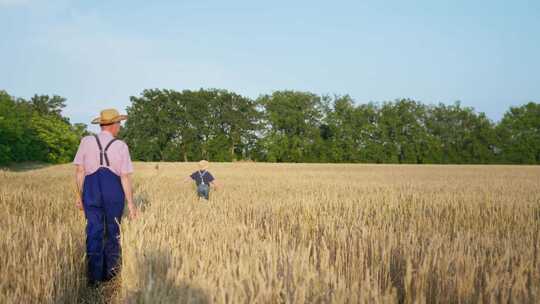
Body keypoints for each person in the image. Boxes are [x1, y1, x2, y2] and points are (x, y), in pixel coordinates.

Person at [73, 108, 138, 286]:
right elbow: (124, 176)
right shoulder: (121, 146)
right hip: (113, 191)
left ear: (102, 124)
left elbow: (80, 171)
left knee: (93, 231)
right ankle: (110, 274)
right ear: (114, 125)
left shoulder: (86, 141)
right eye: (119, 124)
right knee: (112, 230)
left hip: (91, 190)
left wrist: (80, 196)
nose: (120, 127)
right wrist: (131, 203)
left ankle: (94, 276)